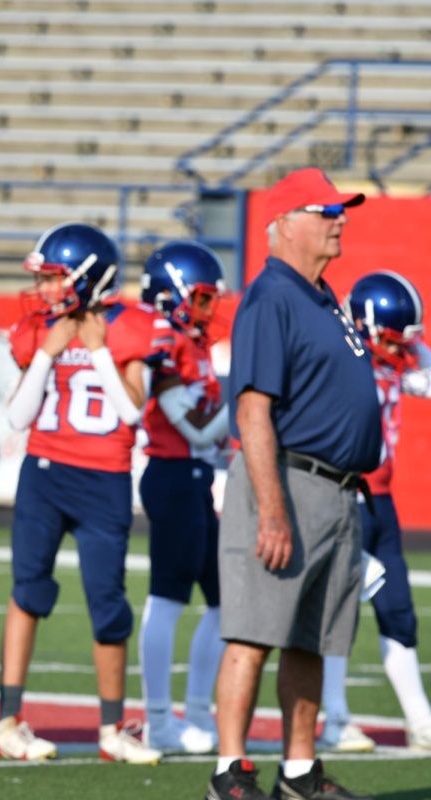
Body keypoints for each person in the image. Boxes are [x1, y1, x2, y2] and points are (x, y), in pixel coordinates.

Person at [206, 167, 378, 800]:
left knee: (311, 638)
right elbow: (252, 408)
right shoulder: (273, 293)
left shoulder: (322, 294)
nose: (340, 219)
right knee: (253, 633)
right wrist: (272, 511)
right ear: (283, 224)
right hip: (284, 482)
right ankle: (229, 771)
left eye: (341, 210)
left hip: (335, 491)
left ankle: (299, 773)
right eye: (325, 210)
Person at [0, 222, 169, 766]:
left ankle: (113, 728)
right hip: (44, 475)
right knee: (30, 591)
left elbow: (132, 411)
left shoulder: (133, 327)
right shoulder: (35, 330)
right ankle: (7, 721)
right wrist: (48, 354)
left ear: (87, 278)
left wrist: (94, 352)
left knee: (107, 603)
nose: (44, 289)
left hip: (105, 480)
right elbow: (17, 415)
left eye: (53, 277)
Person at [318, 272, 431, 754]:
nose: (400, 349)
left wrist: (410, 340)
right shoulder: (338, 360)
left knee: (398, 612)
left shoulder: (391, 361)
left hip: (381, 499)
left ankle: (420, 721)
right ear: (362, 328)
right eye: (392, 337)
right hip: (343, 493)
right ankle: (334, 718)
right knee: (339, 610)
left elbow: (425, 375)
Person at [136, 241, 229, 755]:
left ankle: (195, 713)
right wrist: (246, 407)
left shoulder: (192, 344)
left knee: (224, 600)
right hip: (171, 474)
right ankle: (157, 719)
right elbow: (193, 428)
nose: (208, 309)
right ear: (172, 295)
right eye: (201, 297)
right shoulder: (165, 341)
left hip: (194, 478)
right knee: (168, 598)